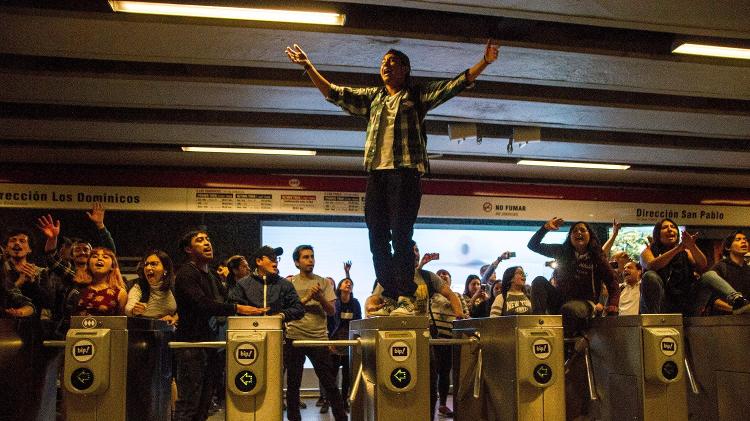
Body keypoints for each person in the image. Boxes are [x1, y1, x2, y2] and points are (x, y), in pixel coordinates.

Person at [286, 40, 500, 315]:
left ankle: (406, 297)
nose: (385, 66)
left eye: (392, 62)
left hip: (406, 173)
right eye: (383, 63)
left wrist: (483, 62)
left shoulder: (416, 95)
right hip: (377, 174)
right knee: (376, 236)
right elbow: (335, 93)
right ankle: (389, 292)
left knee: (400, 236)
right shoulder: (373, 98)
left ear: (405, 69)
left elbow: (453, 85)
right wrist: (308, 67)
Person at [172, 228, 261, 421]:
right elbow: (202, 304)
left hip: (211, 345)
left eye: (208, 239)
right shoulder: (186, 273)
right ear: (188, 249)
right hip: (191, 346)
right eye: (200, 240)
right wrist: (237, 308)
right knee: (189, 402)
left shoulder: (211, 275)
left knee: (205, 402)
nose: (207, 243)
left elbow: (224, 300)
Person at [283, 245, 348, 421]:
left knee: (330, 383)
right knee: (293, 384)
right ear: (297, 262)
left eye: (312, 256)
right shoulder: (289, 283)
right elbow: (288, 310)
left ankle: (341, 417)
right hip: (295, 337)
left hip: (318, 338)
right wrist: (306, 299)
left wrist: (320, 298)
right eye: (305, 257)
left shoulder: (324, 282)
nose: (310, 260)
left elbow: (332, 311)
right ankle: (294, 418)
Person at [528, 217, 620, 337]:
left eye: (583, 230)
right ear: (570, 237)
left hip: (585, 304)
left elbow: (612, 282)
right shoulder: (562, 251)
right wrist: (545, 228)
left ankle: (567, 347)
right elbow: (532, 245)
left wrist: (612, 306)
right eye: (575, 231)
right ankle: (539, 327)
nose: (579, 233)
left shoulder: (597, 257)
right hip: (559, 302)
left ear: (590, 235)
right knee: (538, 281)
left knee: (569, 309)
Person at [639, 218, 707, 315]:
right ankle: (655, 322)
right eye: (664, 227)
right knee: (650, 276)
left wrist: (692, 246)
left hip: (682, 301)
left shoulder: (685, 252)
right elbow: (651, 265)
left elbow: (702, 264)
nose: (670, 229)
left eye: (673, 227)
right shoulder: (648, 251)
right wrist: (677, 249)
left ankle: (735, 301)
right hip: (659, 305)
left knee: (709, 276)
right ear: (657, 234)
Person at [431, 269, 467, 417]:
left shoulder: (457, 296)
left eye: (446, 274)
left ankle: (443, 404)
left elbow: (465, 314)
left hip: (451, 337)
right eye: (440, 275)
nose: (443, 276)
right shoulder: (431, 295)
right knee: (432, 372)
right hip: (433, 338)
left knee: (445, 372)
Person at [328, 268, 362, 412]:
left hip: (350, 343)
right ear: (340, 287)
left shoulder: (355, 303)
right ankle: (331, 402)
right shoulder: (335, 303)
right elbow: (329, 323)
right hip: (335, 342)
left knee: (347, 376)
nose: (348, 284)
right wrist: (329, 342)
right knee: (332, 374)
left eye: (350, 283)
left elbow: (359, 321)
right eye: (345, 282)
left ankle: (344, 402)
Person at [696, 230, 750, 315]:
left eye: (745, 239)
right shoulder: (721, 267)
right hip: (723, 319)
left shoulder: (748, 269)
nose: (743, 241)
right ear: (728, 247)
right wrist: (734, 309)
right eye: (738, 239)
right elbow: (713, 299)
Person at [2, 227, 50, 318]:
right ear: (6, 248)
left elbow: (48, 303)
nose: (17, 243)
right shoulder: (2, 270)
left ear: (29, 249)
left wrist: (33, 283)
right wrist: (19, 282)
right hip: (5, 323)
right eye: (13, 240)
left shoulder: (40, 272)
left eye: (22, 241)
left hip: (33, 326)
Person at [125, 250, 178, 325]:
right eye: (146, 264)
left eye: (153, 264)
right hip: (144, 329)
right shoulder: (139, 285)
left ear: (165, 269)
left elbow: (186, 309)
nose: (148, 268)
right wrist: (134, 310)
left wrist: (174, 318)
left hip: (169, 331)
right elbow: (128, 309)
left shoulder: (174, 285)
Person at [75, 247, 127, 316]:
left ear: (112, 266)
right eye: (95, 256)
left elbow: (121, 322)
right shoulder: (77, 287)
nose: (99, 258)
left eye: (105, 257)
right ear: (88, 265)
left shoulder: (120, 293)